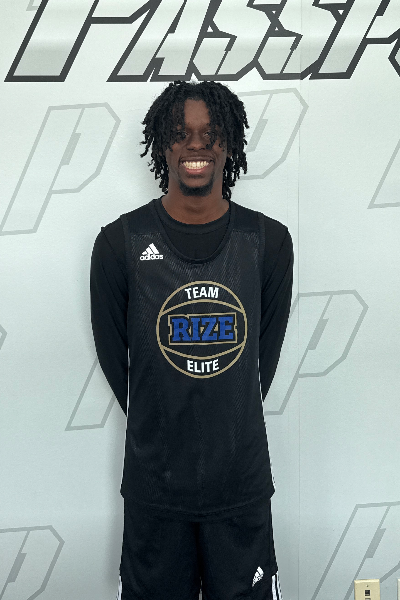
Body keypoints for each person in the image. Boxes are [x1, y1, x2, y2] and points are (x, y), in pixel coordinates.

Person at [90, 80, 293, 600]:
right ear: (163, 144)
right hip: (155, 491)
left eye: (210, 132)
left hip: (240, 488)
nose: (196, 145)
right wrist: (166, 417)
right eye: (181, 133)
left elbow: (260, 362)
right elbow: (120, 365)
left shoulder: (267, 242)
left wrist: (223, 410)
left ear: (230, 143)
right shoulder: (119, 244)